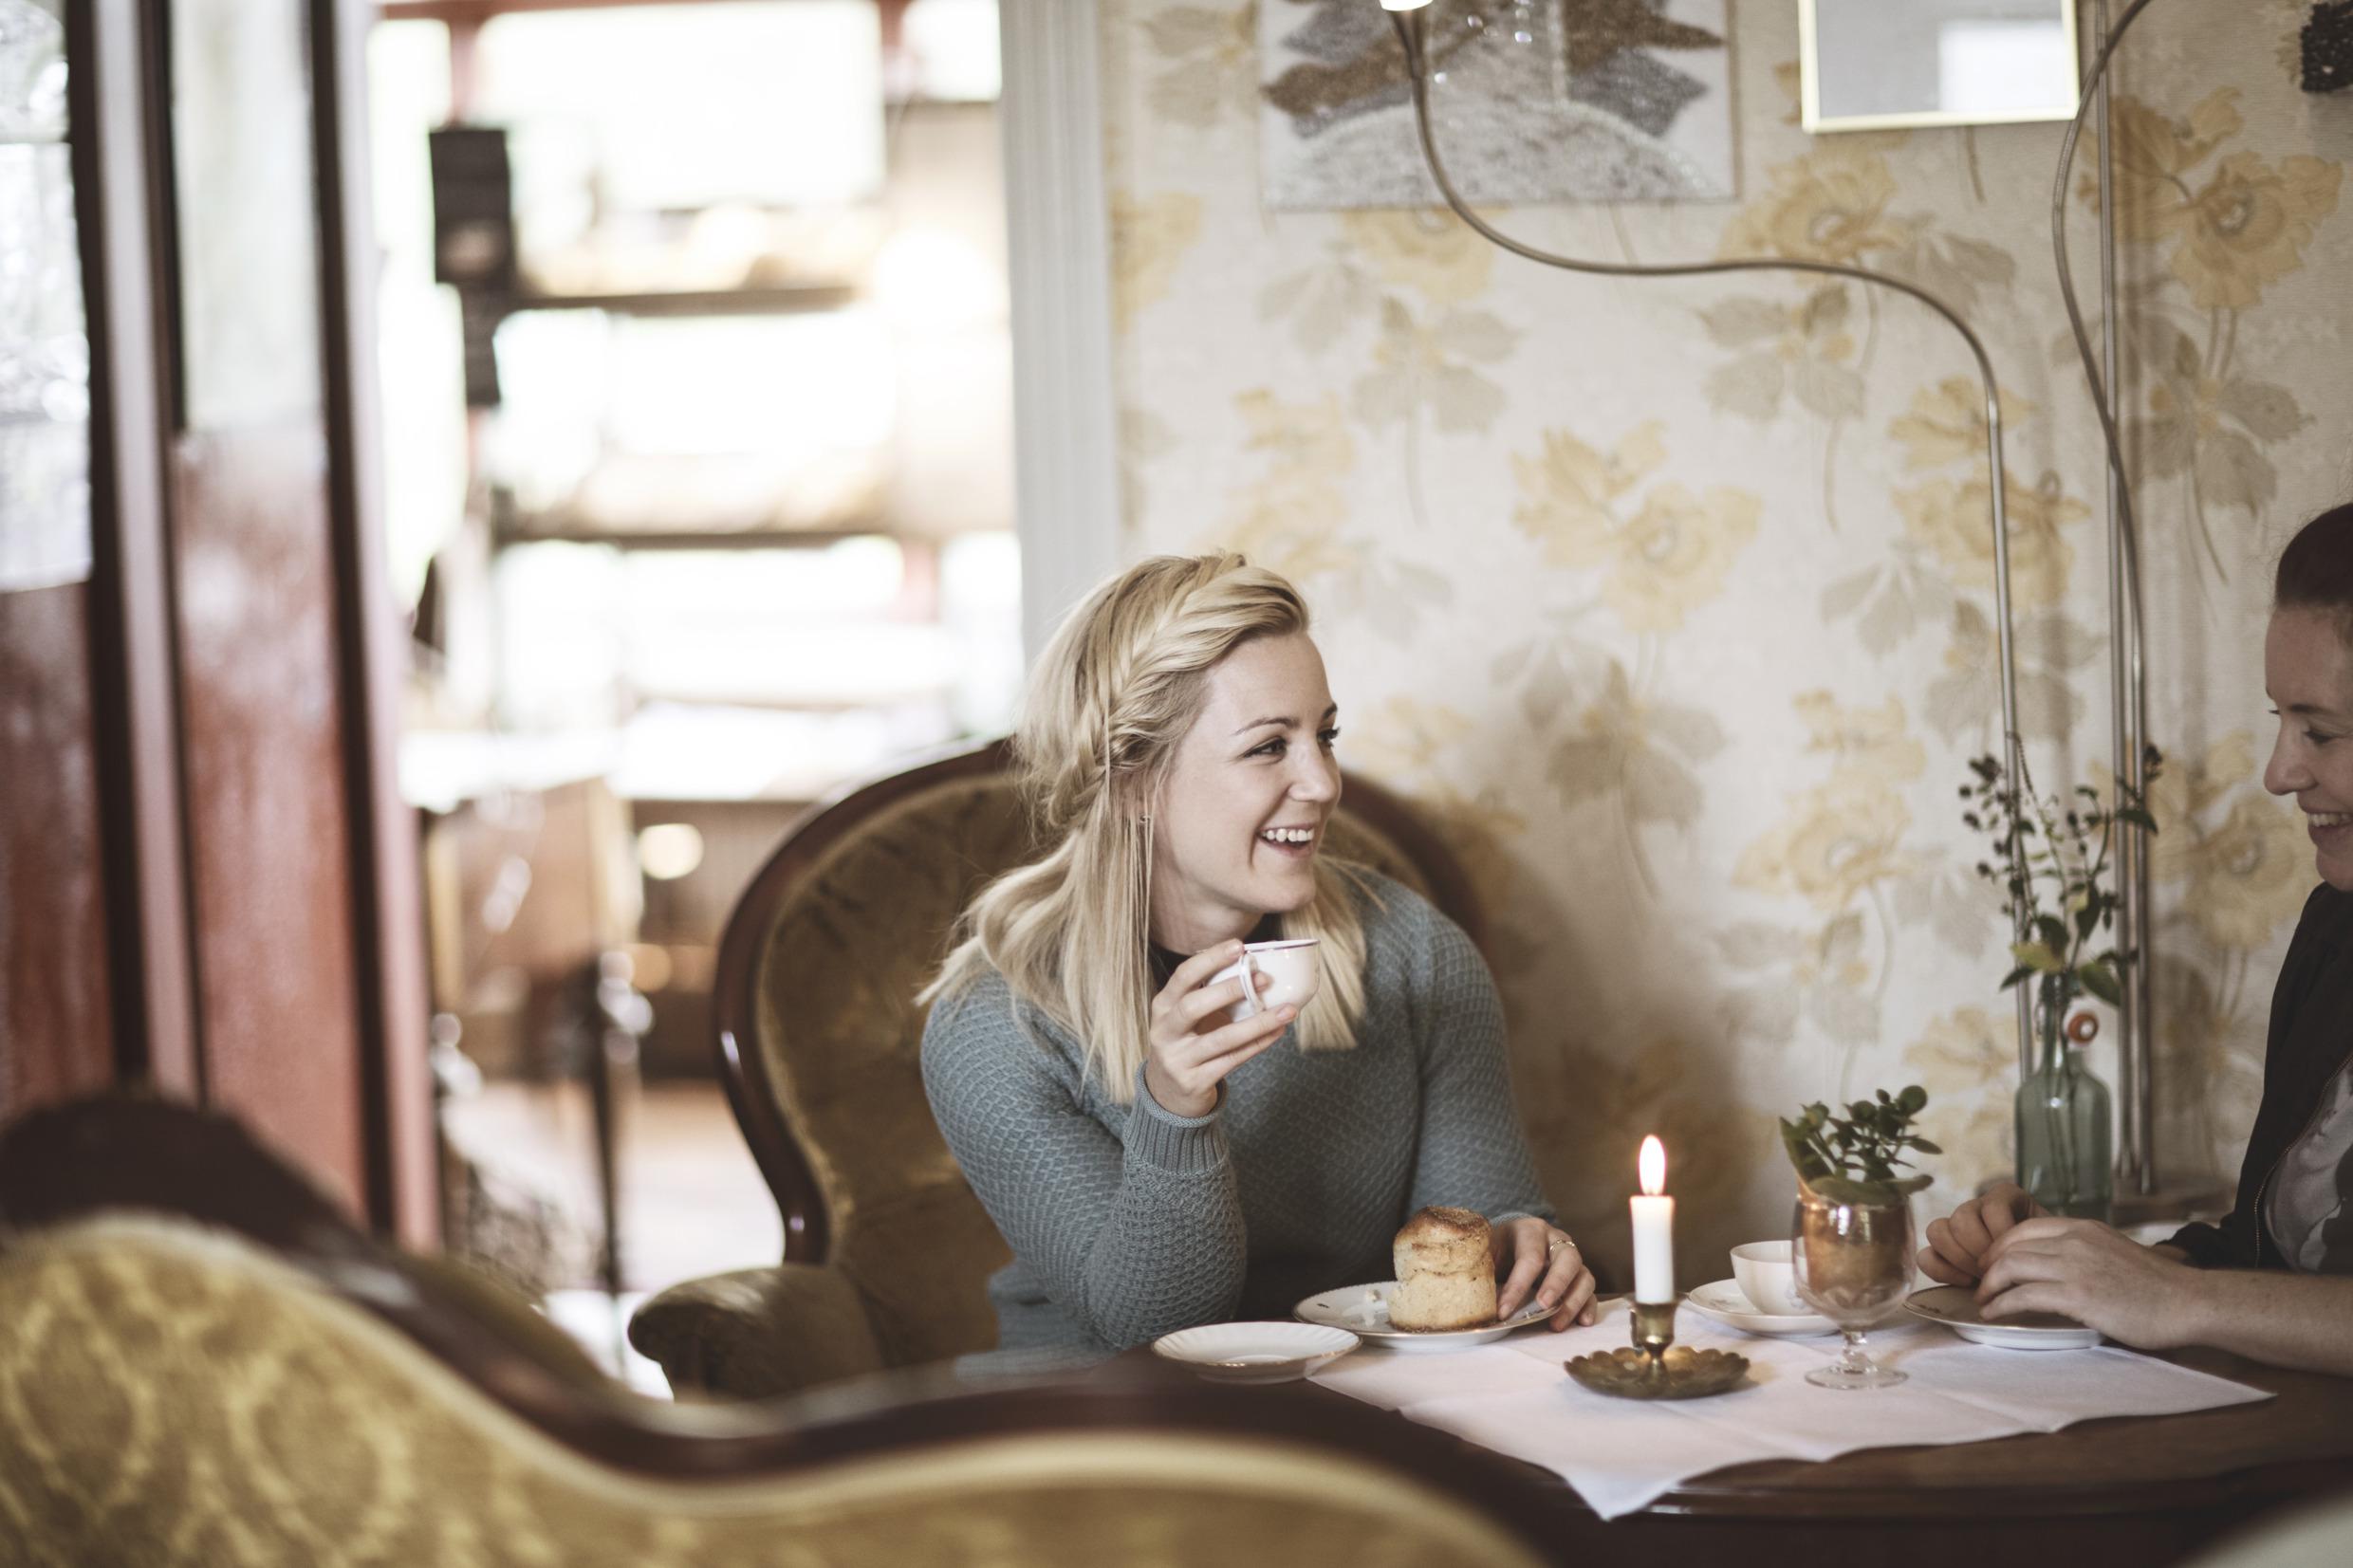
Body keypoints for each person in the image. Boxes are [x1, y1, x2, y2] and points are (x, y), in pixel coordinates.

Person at [919, 552, 1592, 1365]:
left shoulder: (1415, 957)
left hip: (1360, 1411)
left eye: (1325, 735)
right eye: (1270, 746)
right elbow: (1151, 1331)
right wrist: (1174, 1112)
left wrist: (1519, 1248)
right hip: (1097, 1430)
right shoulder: (997, 1023)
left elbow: (1471, 1252)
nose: (1323, 781)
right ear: (1134, 780)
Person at [1918, 502, 2353, 1375]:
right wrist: (2065, 1259)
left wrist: (2176, 1300)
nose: (2279, 771)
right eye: (2278, 721)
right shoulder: (2334, 929)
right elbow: (2268, 1256)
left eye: (2321, 731)